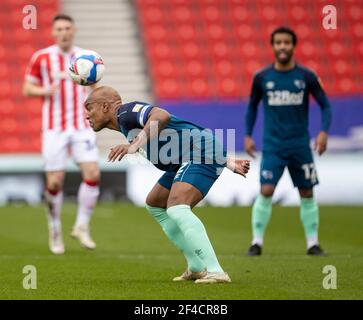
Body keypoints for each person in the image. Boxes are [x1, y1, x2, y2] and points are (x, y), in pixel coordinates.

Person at [85, 86, 250, 283]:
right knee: (155, 204)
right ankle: (196, 266)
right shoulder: (125, 124)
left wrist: (134, 145)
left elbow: (161, 115)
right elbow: (185, 131)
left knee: (178, 207)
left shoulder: (126, 113)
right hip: (189, 156)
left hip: (198, 153)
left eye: (89, 108)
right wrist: (228, 161)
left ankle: (216, 271)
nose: (87, 115)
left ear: (105, 106)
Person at [244, 26, 332, 256]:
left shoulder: (306, 77)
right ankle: (256, 242)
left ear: (294, 46)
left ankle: (312, 243)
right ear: (272, 46)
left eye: (286, 43)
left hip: (300, 145)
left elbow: (326, 105)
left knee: (306, 192)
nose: (282, 47)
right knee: (266, 190)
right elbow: (252, 107)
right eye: (278, 43)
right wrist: (247, 134)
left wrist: (323, 132)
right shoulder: (262, 77)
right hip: (273, 146)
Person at [23, 14, 100, 254]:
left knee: (93, 174)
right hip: (54, 128)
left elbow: (96, 88)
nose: (64, 32)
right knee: (54, 182)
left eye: (68, 28)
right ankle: (55, 227)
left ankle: (82, 226)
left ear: (74, 30)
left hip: (81, 127)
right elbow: (27, 89)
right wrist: (46, 90)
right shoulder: (42, 57)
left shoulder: (86, 57)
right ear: (53, 32)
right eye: (60, 29)